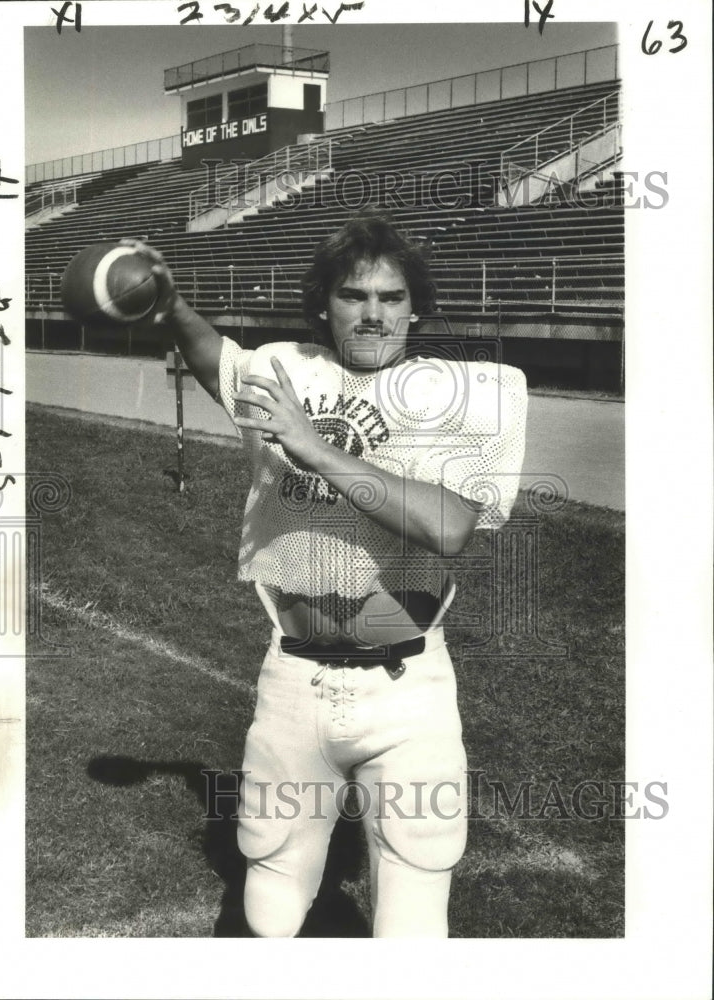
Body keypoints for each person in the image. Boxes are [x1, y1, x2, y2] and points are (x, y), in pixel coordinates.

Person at [130, 212, 527, 937]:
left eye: (391, 297)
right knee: (270, 894)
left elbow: (447, 526)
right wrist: (169, 305)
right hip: (292, 678)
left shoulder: (462, 394)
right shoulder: (288, 370)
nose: (373, 314)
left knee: (412, 909)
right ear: (323, 303)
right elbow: (214, 358)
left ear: (415, 307)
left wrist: (312, 447)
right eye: (353, 296)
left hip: (407, 692)